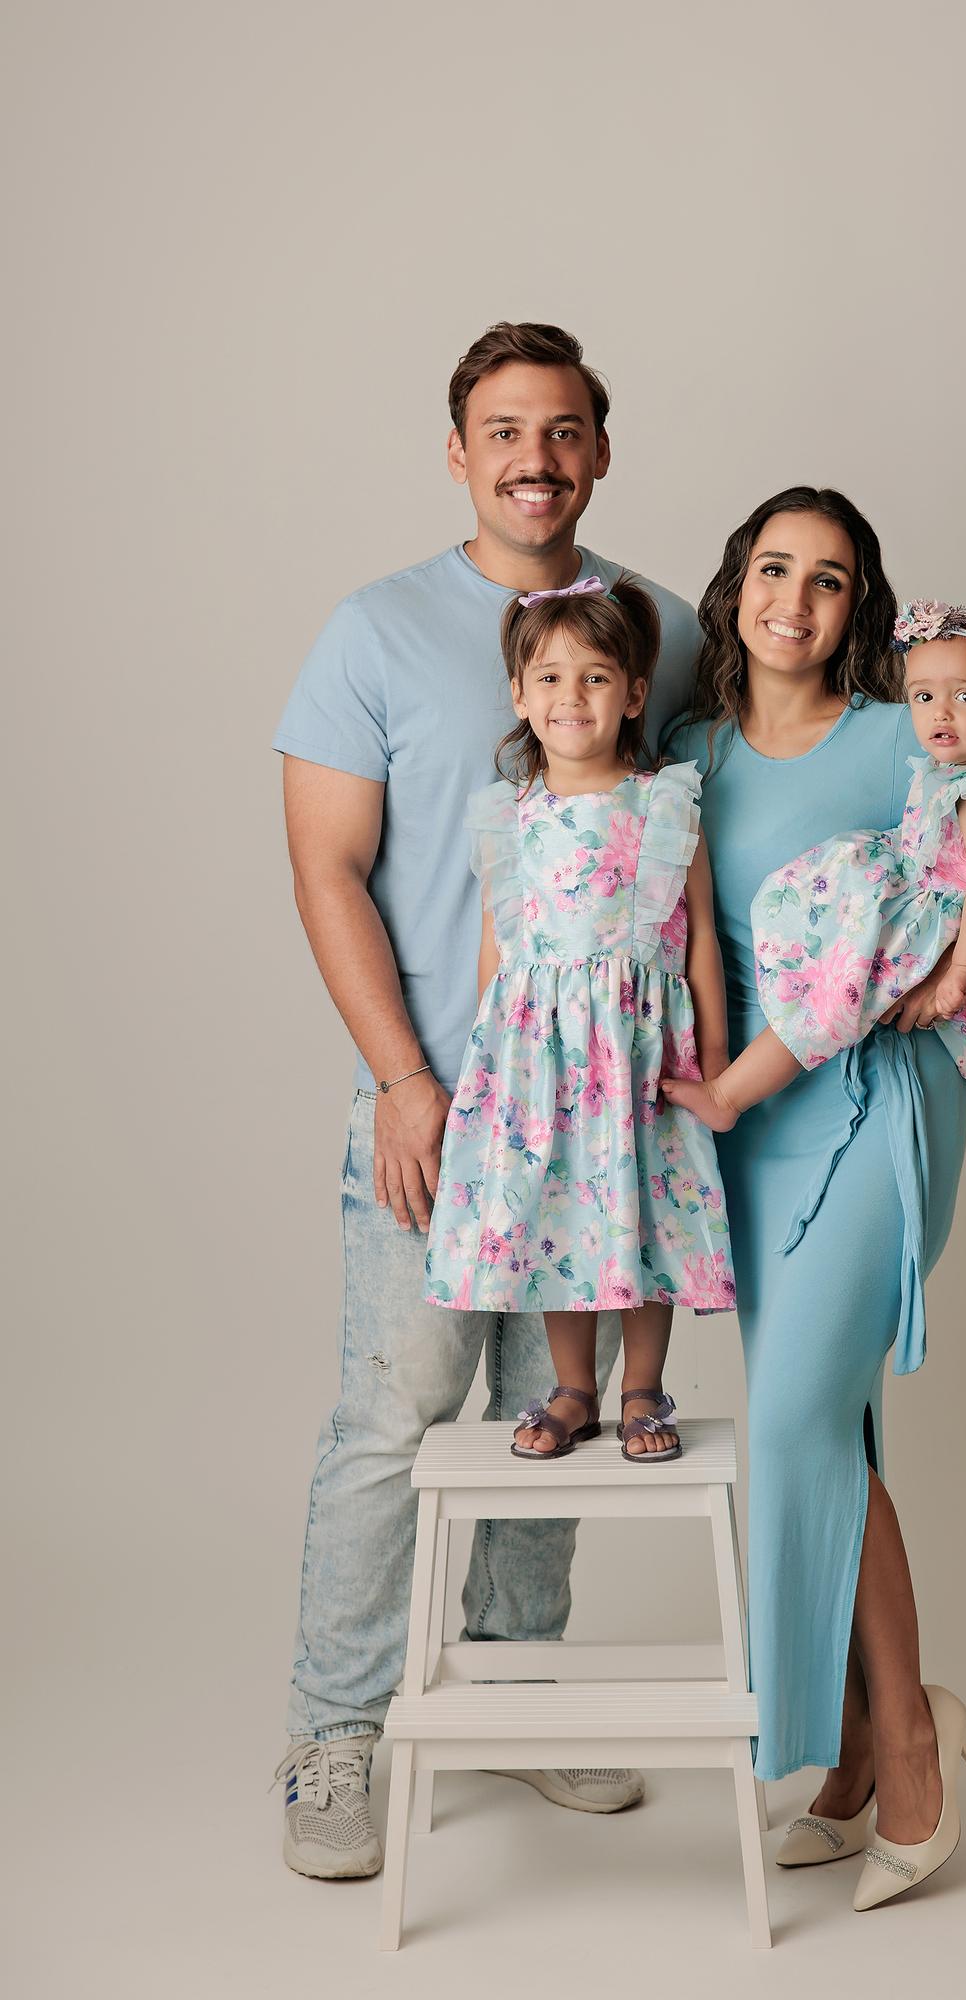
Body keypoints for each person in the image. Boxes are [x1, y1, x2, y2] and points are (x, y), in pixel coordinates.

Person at [271, 323, 700, 1879]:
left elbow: (725, 823)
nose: (537, 455)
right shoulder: (374, 632)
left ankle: (519, 1689)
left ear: (599, 448)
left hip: (607, 1126)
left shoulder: (659, 629)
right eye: (504, 429)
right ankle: (337, 1732)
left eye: (566, 428)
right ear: (458, 451)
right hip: (445, 1109)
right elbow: (327, 869)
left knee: (551, 1417)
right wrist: (403, 1079)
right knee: (392, 1419)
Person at [666, 488, 966, 1912]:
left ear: (859, 609)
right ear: (736, 590)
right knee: (825, 1422)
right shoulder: (688, 751)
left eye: (829, 579)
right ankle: (845, 1755)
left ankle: (909, 1745)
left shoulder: (904, 731)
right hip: (749, 1122)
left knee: (791, 1421)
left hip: (878, 1104)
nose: (796, 598)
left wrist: (951, 976)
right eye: (773, 569)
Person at [422, 574, 734, 1462]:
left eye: (596, 678)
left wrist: (711, 1059)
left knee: (644, 1210)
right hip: (538, 1064)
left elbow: (700, 933)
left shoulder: (665, 804)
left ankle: (644, 1389)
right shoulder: (506, 818)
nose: (571, 698)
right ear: (519, 694)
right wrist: (483, 1069)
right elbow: (501, 950)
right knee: (560, 1212)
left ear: (634, 693)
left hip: (639, 1055)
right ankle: (573, 1389)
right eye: (550, 679)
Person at [662, 597, 966, 1135]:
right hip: (930, 912)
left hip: (941, 933)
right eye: (923, 696)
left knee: (834, 993)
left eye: (965, 696)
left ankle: (727, 1095)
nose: (940, 713)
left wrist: (958, 972)